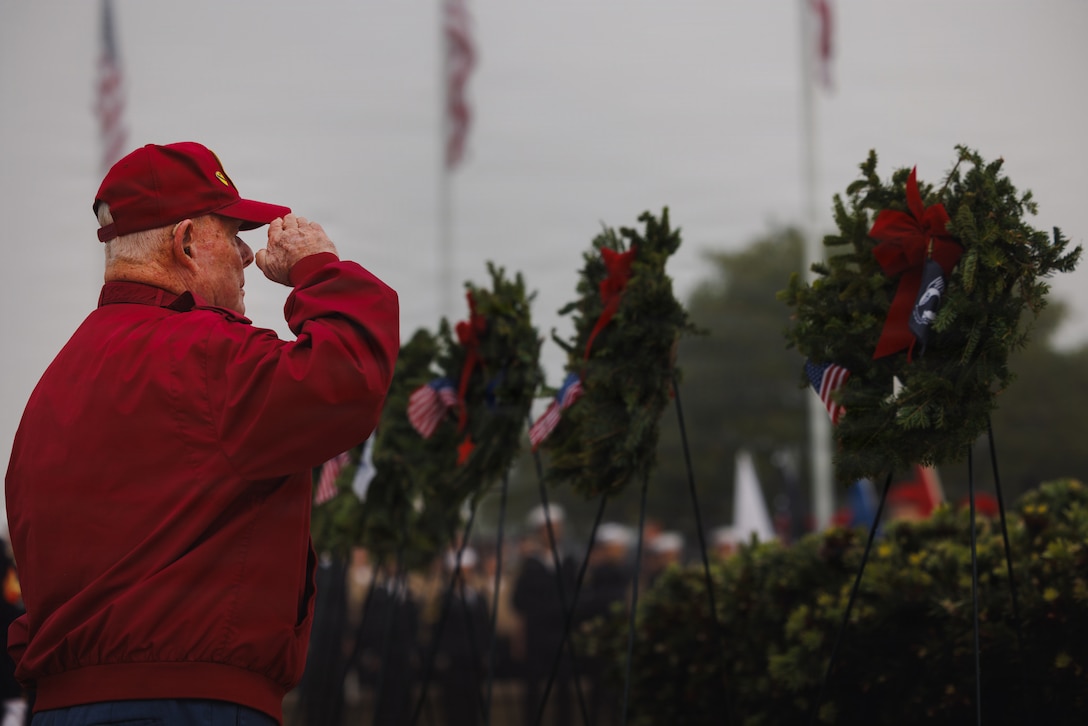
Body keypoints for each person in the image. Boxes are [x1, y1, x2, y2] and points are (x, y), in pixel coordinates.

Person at [4, 141, 400, 725]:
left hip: (62, 706)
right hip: (190, 704)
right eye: (232, 232)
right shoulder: (205, 355)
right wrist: (318, 267)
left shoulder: (50, 388)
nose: (245, 256)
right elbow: (349, 374)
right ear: (186, 242)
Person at [512, 504, 576, 726]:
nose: (552, 532)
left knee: (565, 688)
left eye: (556, 527)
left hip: (561, 636)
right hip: (536, 636)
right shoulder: (530, 564)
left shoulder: (569, 561)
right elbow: (518, 600)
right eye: (547, 528)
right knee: (533, 690)